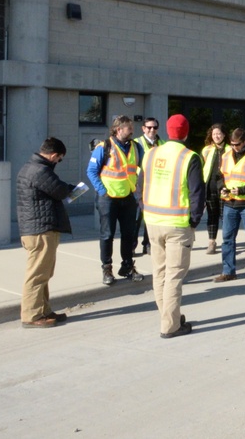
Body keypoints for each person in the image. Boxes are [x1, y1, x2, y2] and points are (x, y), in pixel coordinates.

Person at [141, 114, 204, 338]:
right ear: (185, 133)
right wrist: (194, 221)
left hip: (153, 221)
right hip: (177, 223)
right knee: (174, 276)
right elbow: (197, 193)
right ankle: (170, 325)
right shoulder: (190, 157)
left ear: (166, 131)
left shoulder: (150, 154)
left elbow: (140, 187)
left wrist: (145, 210)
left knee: (159, 272)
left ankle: (169, 316)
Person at [17, 137, 75, 328]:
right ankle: (32, 315)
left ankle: (43, 310)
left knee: (44, 273)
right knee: (37, 274)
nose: (58, 162)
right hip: (40, 229)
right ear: (54, 155)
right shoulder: (40, 170)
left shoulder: (30, 167)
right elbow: (59, 190)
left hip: (36, 228)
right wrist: (72, 190)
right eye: (59, 159)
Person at [87, 115, 145, 285]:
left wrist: (138, 192)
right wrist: (102, 191)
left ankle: (127, 266)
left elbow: (143, 168)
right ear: (118, 129)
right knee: (107, 235)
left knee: (128, 233)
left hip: (128, 197)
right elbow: (91, 171)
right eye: (129, 128)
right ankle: (107, 268)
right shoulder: (104, 147)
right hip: (108, 198)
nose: (132, 130)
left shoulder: (136, 147)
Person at [214, 128, 245, 285]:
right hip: (229, 202)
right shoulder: (226, 155)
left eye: (237, 144)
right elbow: (220, 176)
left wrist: (243, 190)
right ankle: (228, 271)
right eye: (232, 144)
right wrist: (221, 186)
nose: (234, 147)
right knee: (227, 238)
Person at [133, 117, 164, 256]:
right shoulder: (136, 143)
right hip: (138, 185)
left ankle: (148, 245)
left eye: (155, 127)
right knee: (135, 218)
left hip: (154, 187)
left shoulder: (162, 143)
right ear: (143, 128)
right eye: (149, 127)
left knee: (150, 219)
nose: (152, 130)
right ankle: (132, 246)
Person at [200, 123, 228, 255]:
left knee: (225, 216)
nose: (216, 136)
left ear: (224, 134)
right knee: (212, 216)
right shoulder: (206, 150)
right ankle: (212, 242)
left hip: (225, 188)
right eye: (214, 134)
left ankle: (228, 241)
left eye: (219, 133)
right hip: (210, 188)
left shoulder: (230, 149)